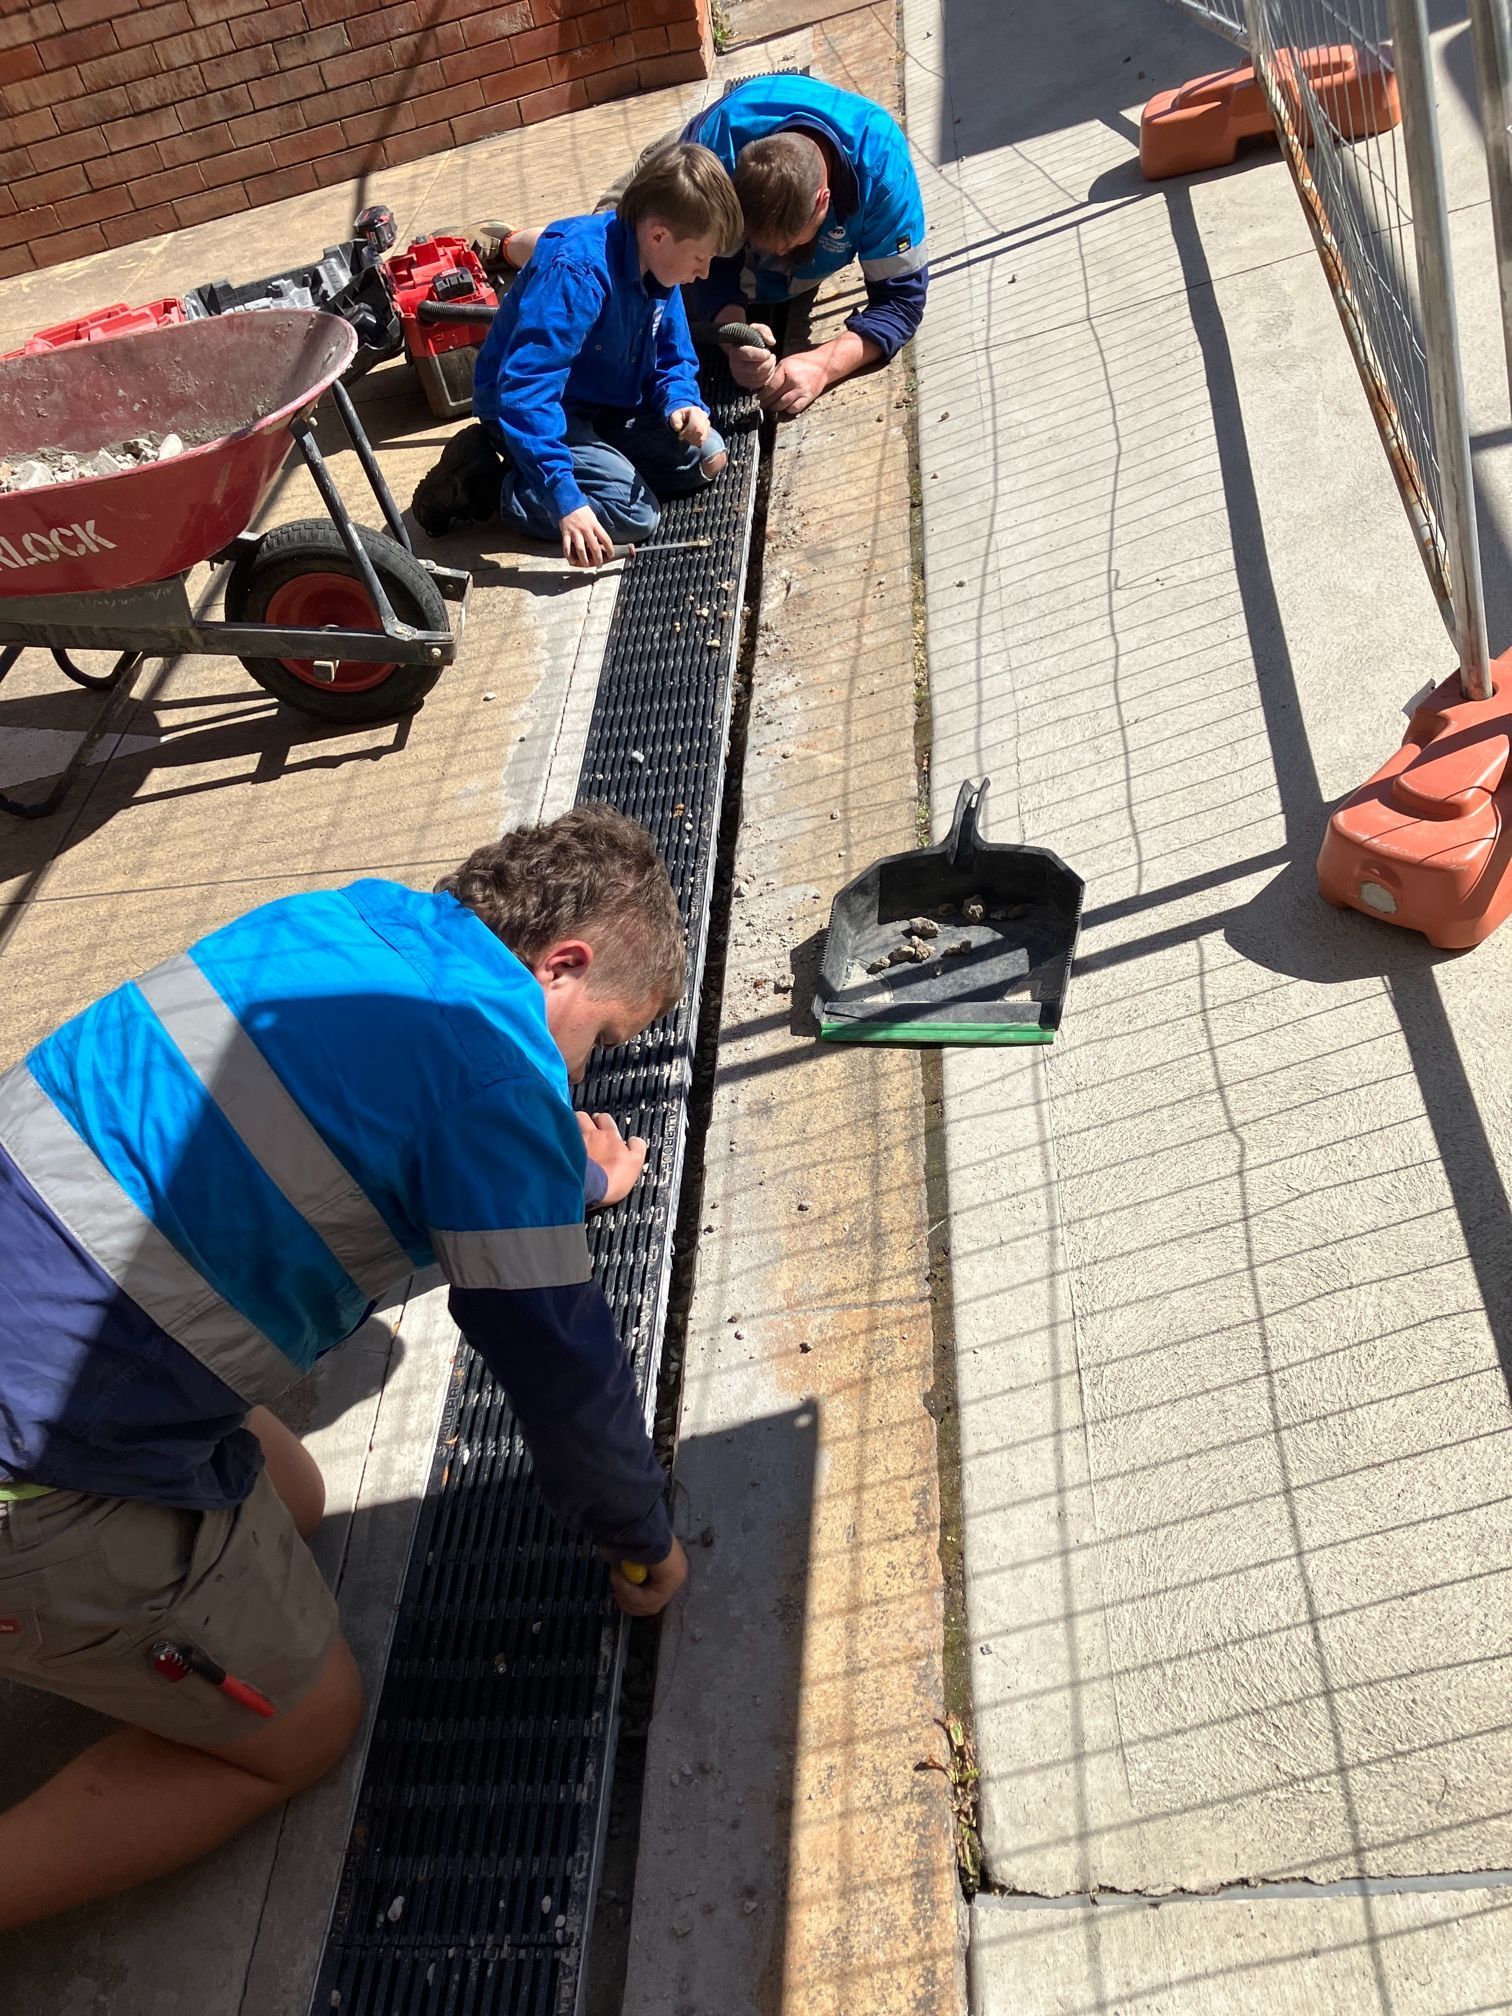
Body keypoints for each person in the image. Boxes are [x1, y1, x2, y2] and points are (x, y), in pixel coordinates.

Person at [0, 804, 689, 1930]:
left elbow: (397, 1104)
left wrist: (550, 1169)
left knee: (298, 1497)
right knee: (309, 1726)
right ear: (565, 963)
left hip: (41, 1309)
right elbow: (560, 1367)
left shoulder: (337, 922)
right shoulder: (497, 1079)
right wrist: (638, 1535)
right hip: (34, 1471)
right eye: (601, 1040)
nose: (579, 1076)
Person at [488, 76, 927, 420]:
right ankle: (509, 246)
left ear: (823, 203)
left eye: (788, 243)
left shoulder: (884, 173)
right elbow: (704, 264)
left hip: (756, 210)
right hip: (677, 178)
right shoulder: (722, 148)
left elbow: (902, 302)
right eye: (755, 242)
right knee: (612, 256)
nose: (771, 254)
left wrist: (824, 364)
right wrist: (731, 329)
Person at [414, 143, 743, 566]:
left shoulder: (660, 266)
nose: (705, 272)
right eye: (701, 257)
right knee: (634, 516)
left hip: (603, 401)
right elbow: (526, 392)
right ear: (658, 234)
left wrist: (681, 400)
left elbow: (672, 353)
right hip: (538, 412)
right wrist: (565, 500)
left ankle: (596, 463)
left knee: (708, 455)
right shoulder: (576, 273)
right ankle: (484, 484)